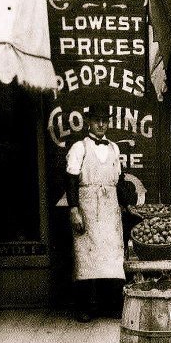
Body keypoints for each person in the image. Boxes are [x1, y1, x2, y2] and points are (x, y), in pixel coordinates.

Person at [65, 103, 127, 323]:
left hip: (110, 207)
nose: (101, 124)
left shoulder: (114, 148)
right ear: (89, 122)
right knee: (86, 256)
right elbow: (71, 181)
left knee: (111, 256)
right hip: (88, 206)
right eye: (97, 120)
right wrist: (74, 210)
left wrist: (125, 205)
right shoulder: (79, 148)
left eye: (104, 121)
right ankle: (85, 307)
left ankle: (110, 304)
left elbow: (119, 180)